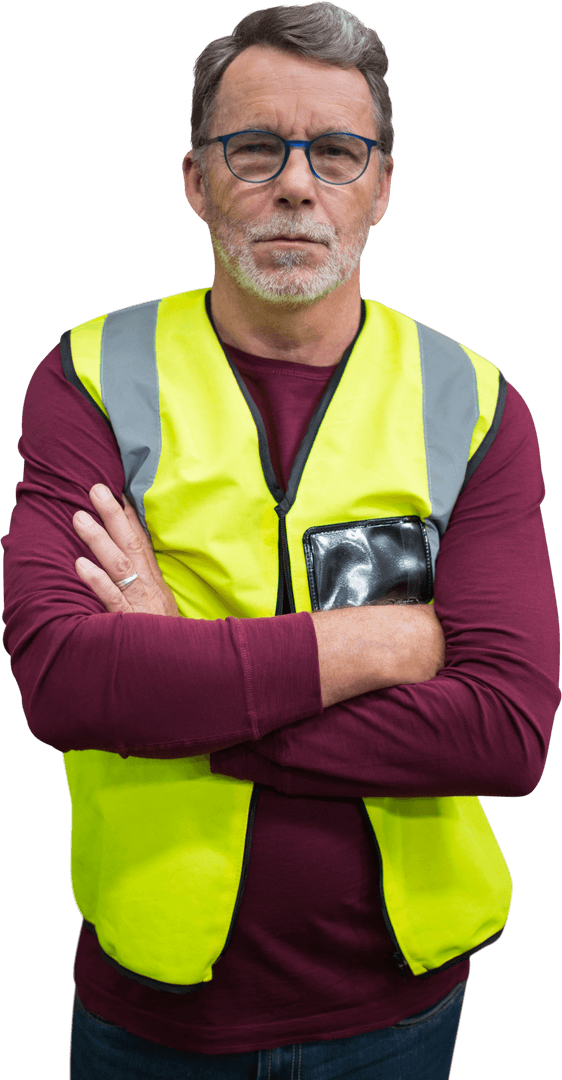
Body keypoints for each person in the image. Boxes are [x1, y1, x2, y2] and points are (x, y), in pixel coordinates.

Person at [2, 3, 560, 1078]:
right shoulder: (89, 373)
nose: (295, 184)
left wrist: (175, 682)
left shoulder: (475, 402)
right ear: (194, 179)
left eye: (337, 151)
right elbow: (65, 683)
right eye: (254, 149)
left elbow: (502, 731)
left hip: (400, 1010)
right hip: (148, 1010)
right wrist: (378, 648)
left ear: (382, 185)